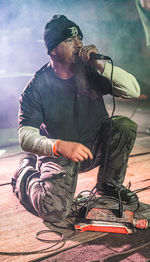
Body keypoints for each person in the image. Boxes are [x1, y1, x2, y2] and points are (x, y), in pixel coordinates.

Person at [12, 15, 140, 224]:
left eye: (79, 38)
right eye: (70, 40)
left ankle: (109, 186)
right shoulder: (36, 87)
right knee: (54, 212)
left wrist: (101, 65)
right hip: (60, 155)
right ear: (53, 49)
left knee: (123, 126)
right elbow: (25, 137)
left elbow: (133, 90)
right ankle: (24, 174)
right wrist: (59, 146)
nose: (79, 44)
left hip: (93, 148)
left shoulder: (90, 70)